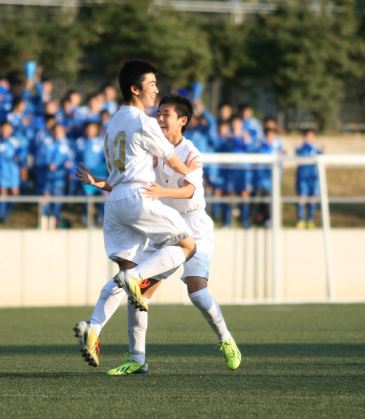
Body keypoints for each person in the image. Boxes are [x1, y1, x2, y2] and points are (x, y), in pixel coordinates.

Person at [75, 93, 241, 374]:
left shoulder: (191, 153)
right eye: (158, 113)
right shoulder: (152, 150)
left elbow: (190, 190)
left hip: (194, 227)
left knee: (197, 293)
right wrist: (96, 183)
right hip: (165, 225)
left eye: (166, 114)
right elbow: (128, 182)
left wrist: (163, 192)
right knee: (139, 295)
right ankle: (137, 360)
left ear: (182, 121)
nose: (160, 118)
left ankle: (226, 339)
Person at [72, 59, 198, 366]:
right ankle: (139, 279)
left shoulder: (114, 120)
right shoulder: (143, 121)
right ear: (134, 88)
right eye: (152, 84)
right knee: (187, 245)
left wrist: (95, 182)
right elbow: (170, 158)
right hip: (138, 196)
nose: (156, 90)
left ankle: (95, 328)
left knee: (124, 275)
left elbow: (120, 174)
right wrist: (191, 176)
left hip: (115, 201)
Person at [0, 122, 21, 222]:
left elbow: (19, 154)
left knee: (15, 192)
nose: (6, 131)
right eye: (4, 128)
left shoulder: (14, 141)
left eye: (9, 129)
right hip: (0, 170)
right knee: (3, 192)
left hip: (12, 169)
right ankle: (2, 216)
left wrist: (16, 158)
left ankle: (7, 212)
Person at [295, 128, 323, 229]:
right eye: (307, 136)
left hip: (313, 178)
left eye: (311, 136)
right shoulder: (300, 147)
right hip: (303, 177)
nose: (309, 138)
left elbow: (322, 158)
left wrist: (322, 151)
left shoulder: (316, 148)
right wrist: (306, 145)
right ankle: (301, 220)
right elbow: (299, 153)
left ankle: (310, 220)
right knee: (302, 198)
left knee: (313, 199)